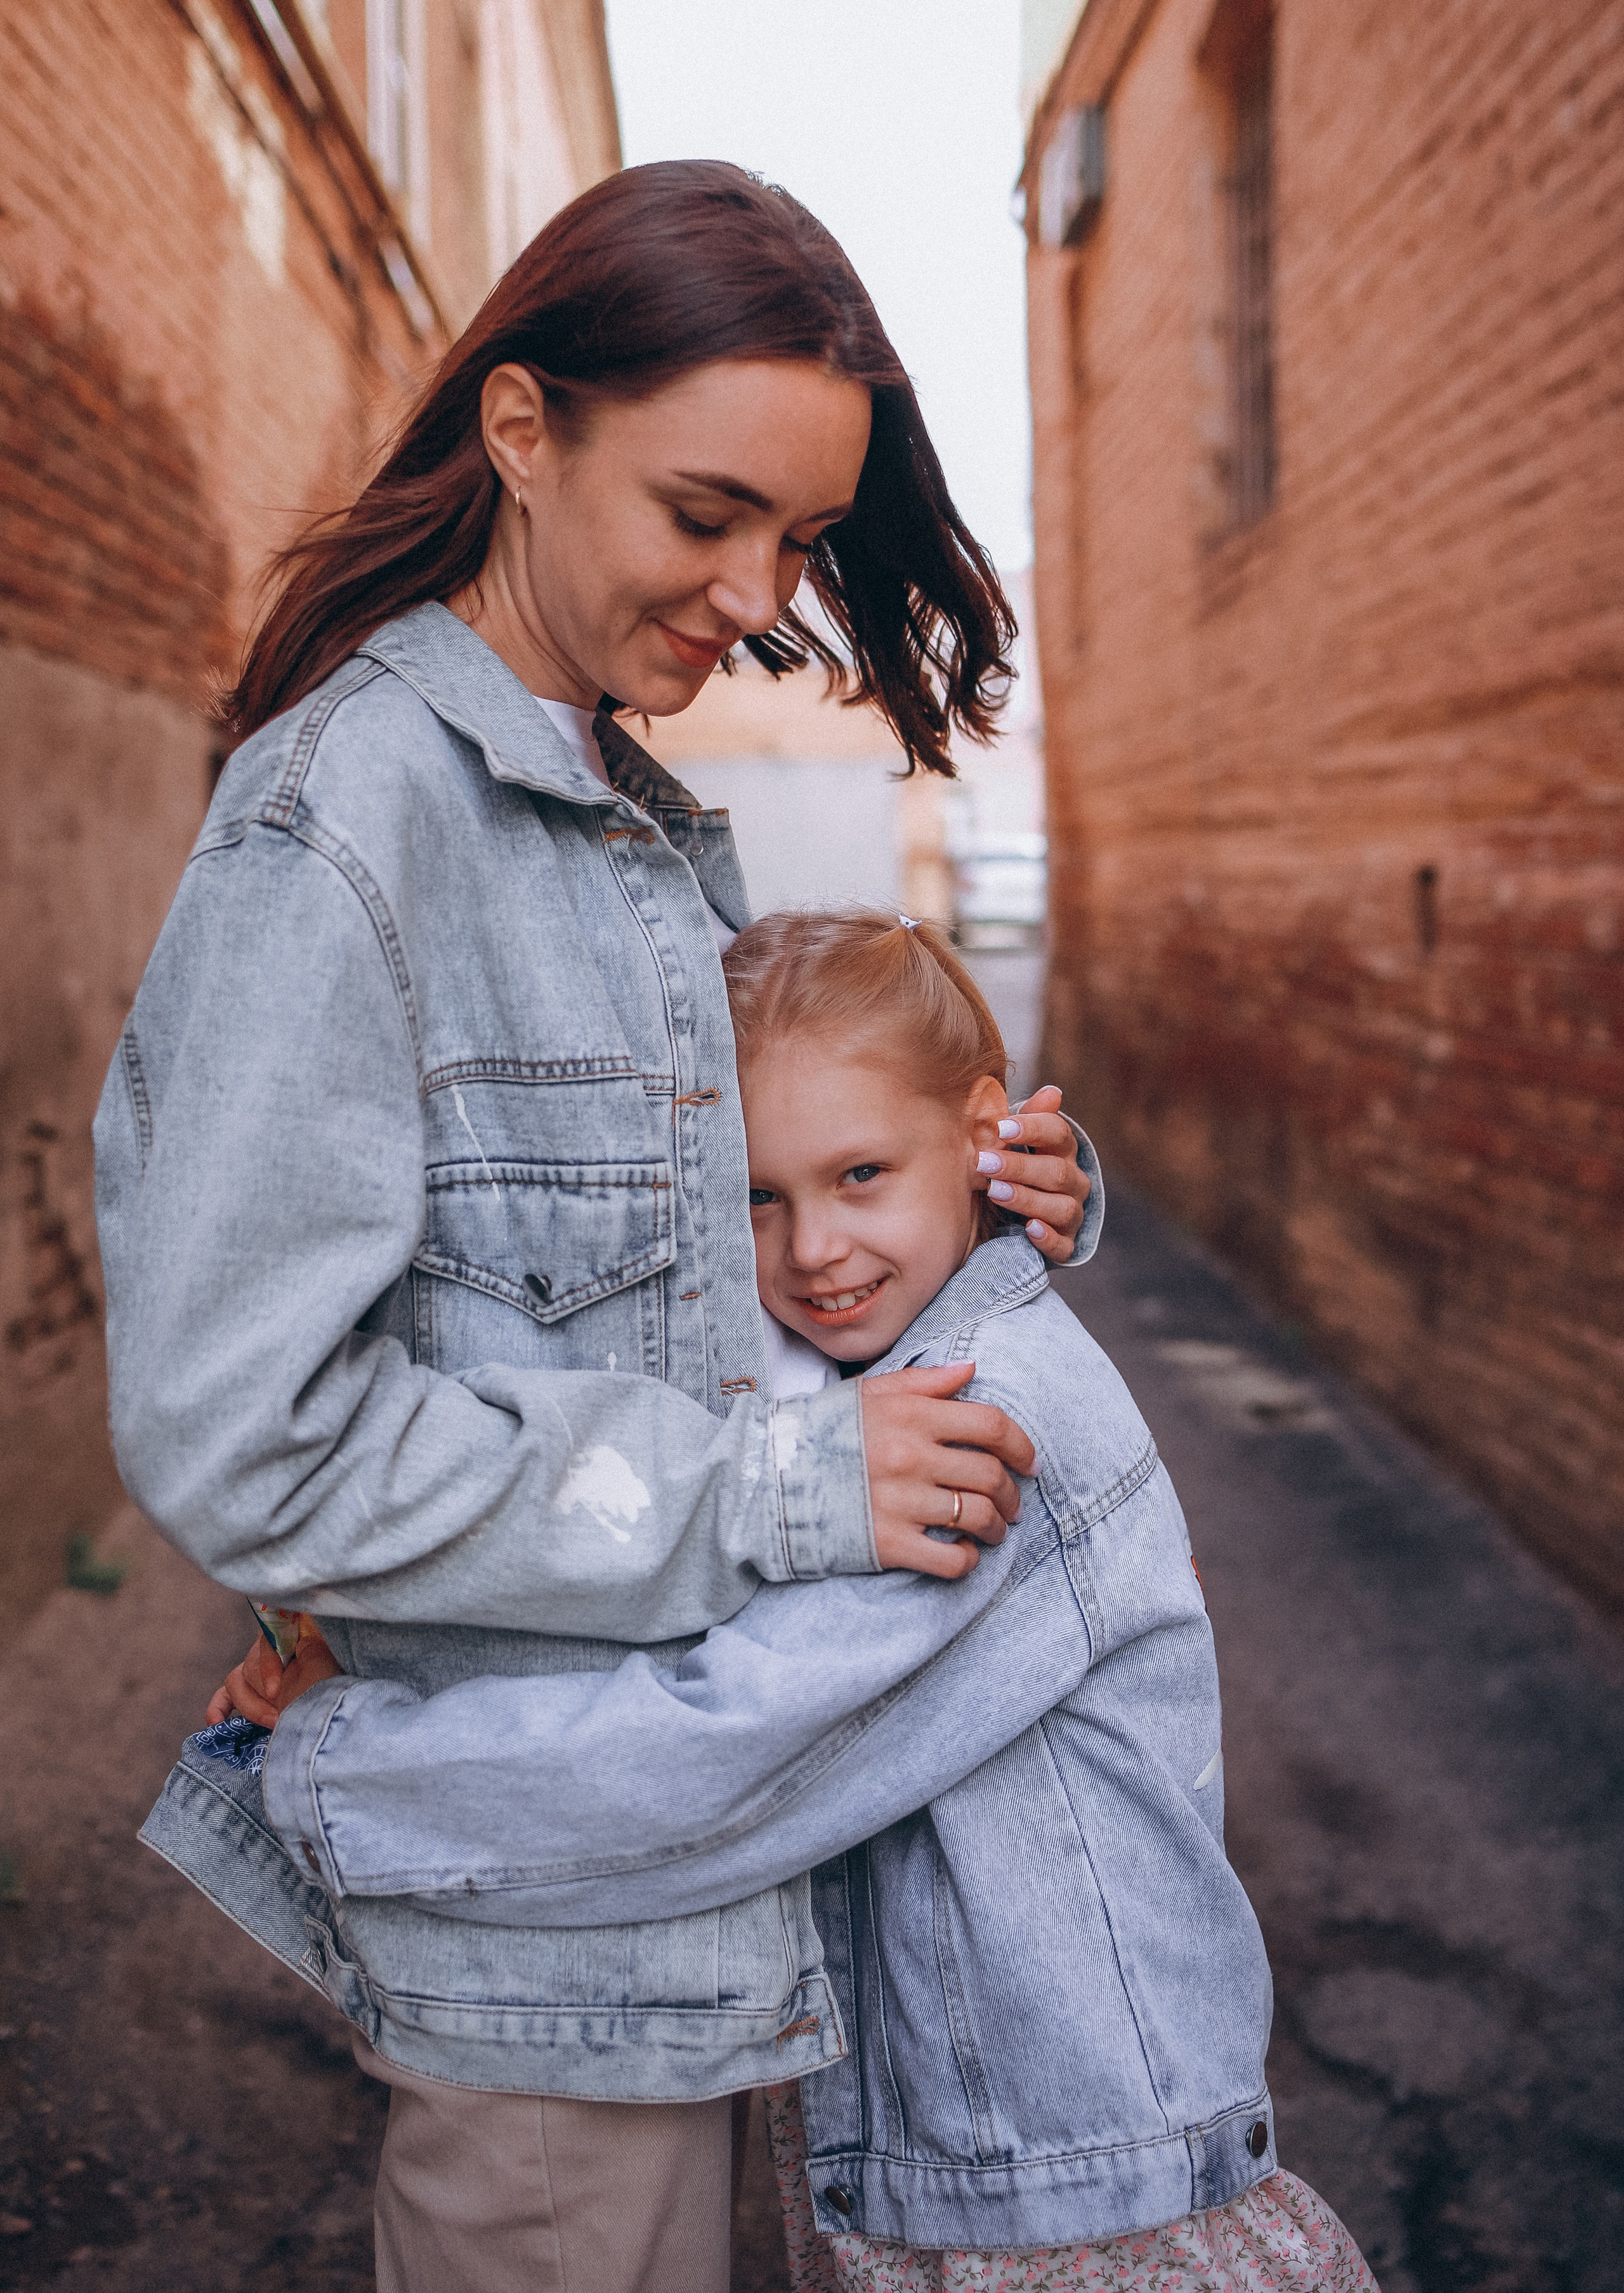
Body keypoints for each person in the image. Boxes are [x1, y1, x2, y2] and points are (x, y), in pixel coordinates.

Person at [104, 160, 1097, 2293]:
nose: (756, 594)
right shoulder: (348, 823)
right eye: (706, 513)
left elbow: (684, 1283)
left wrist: (981, 1210)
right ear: (525, 431)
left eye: (802, 541)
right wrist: (784, 1479)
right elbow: (246, 1432)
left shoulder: (613, 827)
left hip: (696, 1875)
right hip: (553, 1950)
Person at [244, 911, 1380, 2293]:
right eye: (752, 1197)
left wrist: (339, 1757)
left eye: (857, 1174)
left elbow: (733, 1750)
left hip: (1070, 2206)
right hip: (981, 2167)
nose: (811, 1252)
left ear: (978, 1137)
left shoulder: (973, 1435)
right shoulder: (879, 1375)